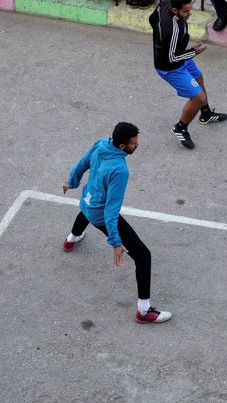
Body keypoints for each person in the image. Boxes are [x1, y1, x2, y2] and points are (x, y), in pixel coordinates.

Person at [62, 122, 172, 324]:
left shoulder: (101, 143)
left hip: (87, 200)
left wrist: (72, 182)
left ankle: (71, 240)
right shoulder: (119, 169)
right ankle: (144, 311)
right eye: (134, 143)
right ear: (122, 146)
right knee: (143, 256)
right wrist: (115, 241)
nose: (137, 145)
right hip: (99, 212)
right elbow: (111, 211)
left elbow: (81, 164)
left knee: (86, 211)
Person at [149, 0, 227, 149]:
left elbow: (152, 19)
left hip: (181, 56)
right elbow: (170, 58)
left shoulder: (163, 5)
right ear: (174, 10)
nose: (189, 13)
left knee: (198, 78)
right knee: (198, 98)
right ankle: (180, 127)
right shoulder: (172, 30)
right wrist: (194, 52)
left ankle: (205, 114)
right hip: (170, 67)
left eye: (190, 9)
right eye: (186, 11)